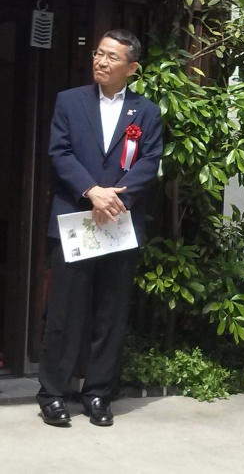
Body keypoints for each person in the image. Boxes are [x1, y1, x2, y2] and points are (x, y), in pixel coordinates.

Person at [37, 29, 163, 427]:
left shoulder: (146, 112)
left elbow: (149, 161)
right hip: (77, 219)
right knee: (65, 311)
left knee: (111, 313)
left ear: (132, 68)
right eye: (99, 53)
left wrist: (116, 200)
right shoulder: (70, 101)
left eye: (111, 57)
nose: (101, 61)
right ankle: (52, 394)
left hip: (119, 223)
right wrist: (92, 191)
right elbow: (60, 152)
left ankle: (98, 393)